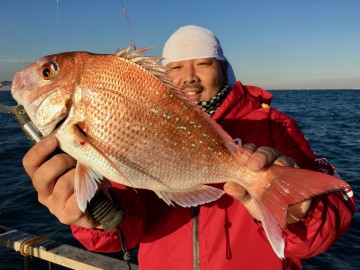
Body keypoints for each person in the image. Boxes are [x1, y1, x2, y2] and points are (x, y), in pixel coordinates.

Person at [23, 25, 355, 270]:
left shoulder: (274, 125)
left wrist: (299, 210)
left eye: (204, 63)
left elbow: (331, 221)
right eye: (177, 67)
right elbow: (131, 226)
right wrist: (92, 213)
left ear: (224, 69)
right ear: (161, 76)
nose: (190, 77)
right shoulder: (138, 119)